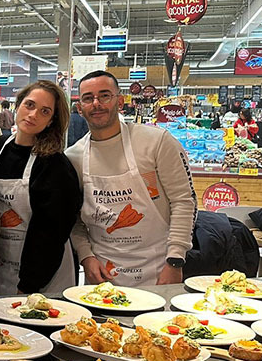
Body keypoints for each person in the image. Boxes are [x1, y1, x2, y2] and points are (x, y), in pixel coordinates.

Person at [67, 70, 197, 287]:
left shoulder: (157, 142)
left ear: (120, 102)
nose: (96, 103)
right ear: (80, 108)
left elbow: (183, 201)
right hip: (102, 276)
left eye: (105, 95)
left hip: (158, 269)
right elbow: (73, 219)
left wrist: (175, 260)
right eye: (88, 98)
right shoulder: (73, 157)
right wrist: (86, 256)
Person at [0, 81, 81, 295]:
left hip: (42, 275)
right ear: (18, 105)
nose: (33, 114)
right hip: (0, 265)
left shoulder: (55, 165)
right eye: (29, 105)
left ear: (51, 121)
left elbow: (50, 233)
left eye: (44, 111)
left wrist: (28, 285)